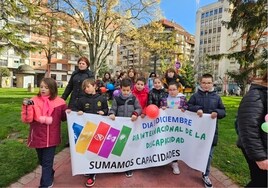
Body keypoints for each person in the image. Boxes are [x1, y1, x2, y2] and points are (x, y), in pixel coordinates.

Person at [21, 78, 67, 188]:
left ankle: (46, 184)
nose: (43, 89)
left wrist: (68, 111)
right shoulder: (33, 100)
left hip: (52, 137)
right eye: (41, 87)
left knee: (47, 162)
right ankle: (50, 173)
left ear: (52, 89)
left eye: (46, 87)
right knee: (42, 161)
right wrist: (26, 107)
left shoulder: (60, 102)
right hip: (38, 136)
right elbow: (28, 120)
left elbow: (64, 118)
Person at [67, 78, 108, 187]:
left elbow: (107, 110)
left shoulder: (102, 98)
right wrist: (77, 112)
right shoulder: (81, 99)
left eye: (88, 86)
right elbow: (75, 110)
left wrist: (104, 112)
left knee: (95, 150)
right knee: (85, 150)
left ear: (95, 86)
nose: (86, 89)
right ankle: (87, 167)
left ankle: (92, 174)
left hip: (98, 130)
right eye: (84, 88)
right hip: (86, 130)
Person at [187, 73, 226, 188]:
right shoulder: (195, 96)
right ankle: (196, 164)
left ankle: (206, 174)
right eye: (204, 82)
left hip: (211, 132)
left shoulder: (217, 97)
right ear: (200, 83)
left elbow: (223, 111)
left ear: (212, 83)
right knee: (197, 150)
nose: (206, 85)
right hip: (197, 131)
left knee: (209, 154)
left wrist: (217, 113)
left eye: (209, 83)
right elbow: (188, 106)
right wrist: (196, 109)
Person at [236, 72, 268, 187]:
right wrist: (260, 158)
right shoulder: (257, 95)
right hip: (260, 150)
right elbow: (248, 128)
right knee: (261, 183)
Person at [108, 78, 142, 177]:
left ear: (131, 89)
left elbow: (139, 108)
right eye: (124, 90)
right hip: (119, 126)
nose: (126, 92)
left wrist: (136, 114)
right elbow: (113, 109)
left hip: (130, 126)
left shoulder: (134, 98)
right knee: (119, 147)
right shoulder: (116, 99)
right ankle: (118, 165)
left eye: (128, 90)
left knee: (129, 147)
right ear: (120, 89)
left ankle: (128, 167)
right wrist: (112, 114)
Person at [61, 57, 94, 147]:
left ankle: (84, 139)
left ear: (87, 65)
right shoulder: (75, 73)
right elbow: (69, 86)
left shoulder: (90, 74)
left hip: (85, 100)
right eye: (79, 63)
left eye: (83, 63)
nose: (81, 65)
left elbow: (92, 87)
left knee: (83, 119)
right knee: (72, 119)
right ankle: (71, 139)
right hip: (74, 99)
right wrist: (63, 97)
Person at [161, 81, 188, 175]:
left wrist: (184, 109)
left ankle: (175, 162)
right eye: (170, 90)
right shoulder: (165, 99)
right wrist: (162, 108)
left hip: (177, 127)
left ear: (178, 89)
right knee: (166, 142)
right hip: (167, 126)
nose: (172, 92)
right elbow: (161, 109)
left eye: (174, 89)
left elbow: (187, 107)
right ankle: (165, 158)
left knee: (175, 143)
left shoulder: (182, 98)